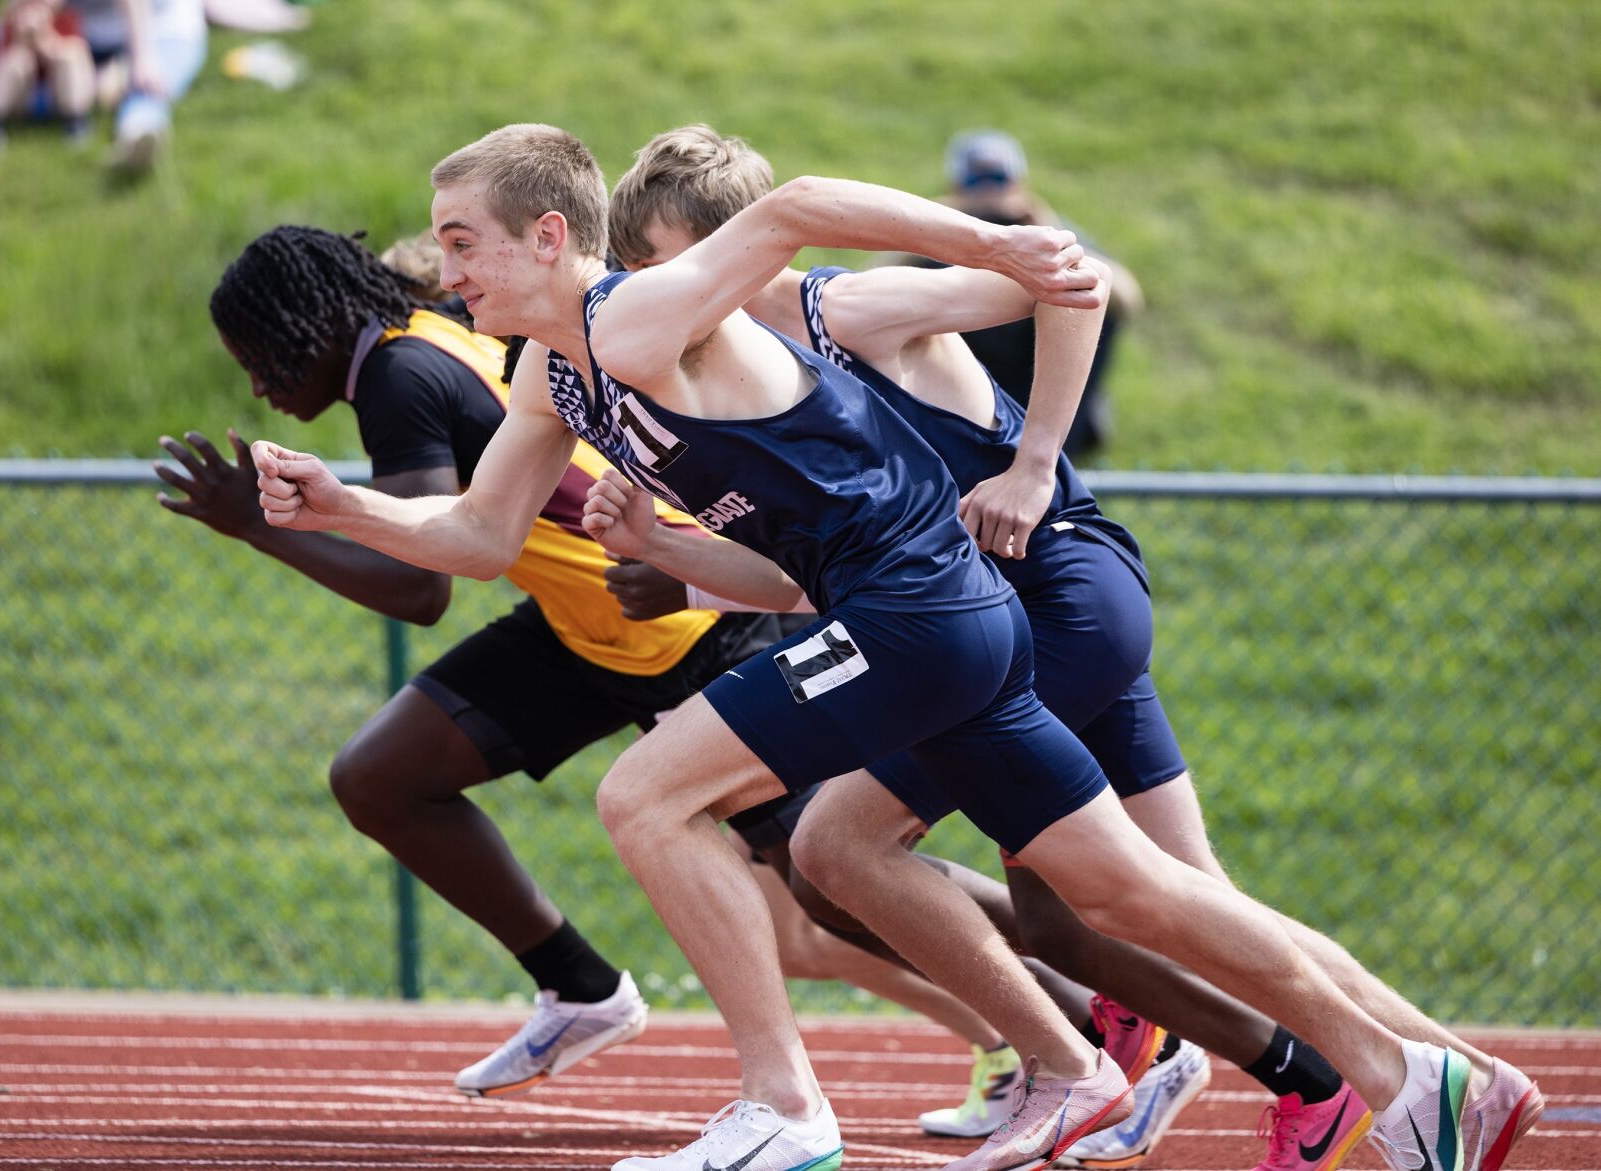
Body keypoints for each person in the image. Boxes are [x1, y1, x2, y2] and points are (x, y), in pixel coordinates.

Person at [250, 124, 1488, 1171]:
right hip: (937, 616)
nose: (442, 266)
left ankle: (784, 1107)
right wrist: (342, 503)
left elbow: (790, 207)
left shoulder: (634, 319)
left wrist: (996, 246)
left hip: (921, 610)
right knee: (1123, 891)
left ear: (549, 239)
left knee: (649, 796)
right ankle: (1415, 1074)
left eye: (461, 239)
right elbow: (475, 533)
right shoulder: (554, 379)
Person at [595, 124, 1544, 1171]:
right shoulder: (748, 377)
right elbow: (803, 577)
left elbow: (1075, 279)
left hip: (1048, 587)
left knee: (848, 848)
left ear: (739, 246)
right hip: (1005, 606)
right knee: (1168, 895)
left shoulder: (840, 309)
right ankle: (1454, 1077)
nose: (651, 297)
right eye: (640, 274)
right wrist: (668, 555)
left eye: (665, 266)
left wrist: (1035, 459)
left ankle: (1120, 1057)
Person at [159, 224, 812, 1098]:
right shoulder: (419, 337)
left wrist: (256, 524)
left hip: (676, 625)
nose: (257, 385)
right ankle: (579, 987)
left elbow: (417, 585)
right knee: (379, 775)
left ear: (309, 324)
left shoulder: (397, 374)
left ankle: (1050, 1006)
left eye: (259, 355)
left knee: (834, 879)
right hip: (589, 625)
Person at [916, 129, 1144, 460]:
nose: (989, 195)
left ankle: (1052, 445)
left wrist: (1045, 228)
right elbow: (872, 286)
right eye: (977, 184)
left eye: (998, 181)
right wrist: (925, 224)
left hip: (1037, 381)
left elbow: (1126, 297)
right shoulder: (942, 241)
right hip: (960, 394)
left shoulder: (1048, 233)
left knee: (1087, 294)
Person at [65, 0, 204, 170]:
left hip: (157, 25)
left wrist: (142, 58)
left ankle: (139, 131)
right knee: (61, 86)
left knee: (146, 85)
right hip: (83, 33)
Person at [0, 0, 94, 149]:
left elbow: (75, 59)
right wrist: (21, 40)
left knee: (69, 55)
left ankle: (76, 122)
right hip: (23, 98)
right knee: (16, 60)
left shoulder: (68, 18)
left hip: (57, 96)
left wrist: (43, 37)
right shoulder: (12, 22)